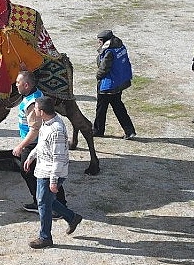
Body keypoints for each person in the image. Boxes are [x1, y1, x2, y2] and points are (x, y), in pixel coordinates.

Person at [24, 96, 83, 249]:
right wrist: (31, 157)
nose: (34, 110)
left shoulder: (56, 130)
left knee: (43, 203)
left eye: (36, 108)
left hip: (50, 172)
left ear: (42, 112)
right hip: (43, 169)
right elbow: (42, 144)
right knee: (45, 200)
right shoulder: (46, 123)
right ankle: (72, 217)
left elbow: (58, 157)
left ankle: (45, 237)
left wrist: (54, 180)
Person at [13, 70, 66, 214]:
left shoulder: (32, 103)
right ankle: (54, 203)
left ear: (26, 85)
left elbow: (34, 129)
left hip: (33, 143)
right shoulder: (33, 95)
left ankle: (51, 205)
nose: (16, 85)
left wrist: (21, 146)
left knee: (30, 172)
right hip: (34, 142)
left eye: (18, 82)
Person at [93, 30, 136, 140]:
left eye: (100, 41)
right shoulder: (120, 47)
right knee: (119, 107)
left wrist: (98, 76)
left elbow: (103, 68)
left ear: (104, 41)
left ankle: (98, 130)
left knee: (101, 108)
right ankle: (129, 130)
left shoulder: (108, 52)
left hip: (107, 85)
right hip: (119, 82)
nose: (99, 43)